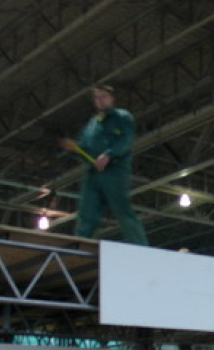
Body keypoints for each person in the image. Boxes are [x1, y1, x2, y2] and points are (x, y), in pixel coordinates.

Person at [59, 85, 148, 246]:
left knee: (122, 210)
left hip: (115, 171)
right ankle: (78, 247)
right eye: (97, 97)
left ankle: (140, 246)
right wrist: (75, 149)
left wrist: (109, 154)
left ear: (112, 98)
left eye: (104, 96)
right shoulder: (92, 125)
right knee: (87, 213)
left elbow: (127, 140)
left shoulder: (122, 117)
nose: (100, 100)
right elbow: (85, 149)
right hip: (93, 174)